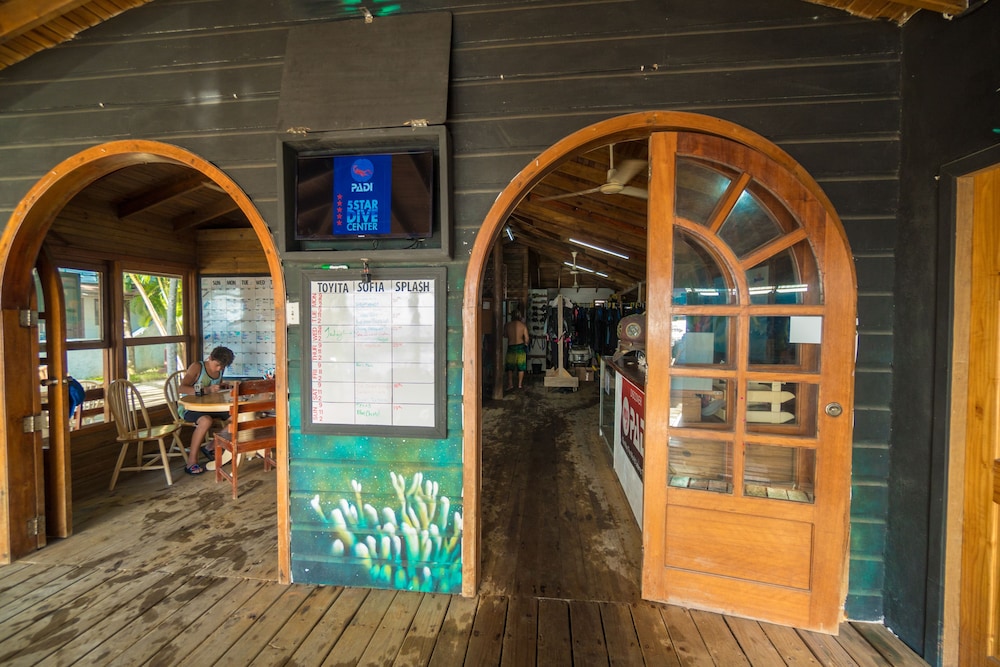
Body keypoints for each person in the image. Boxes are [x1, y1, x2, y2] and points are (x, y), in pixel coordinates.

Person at [179, 346, 234, 475]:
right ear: (210, 358)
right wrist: (206, 390)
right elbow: (181, 388)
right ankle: (191, 462)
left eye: (222, 367)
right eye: (217, 365)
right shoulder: (198, 367)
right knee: (206, 421)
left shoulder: (220, 369)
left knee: (238, 417)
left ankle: (211, 446)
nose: (219, 369)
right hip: (190, 407)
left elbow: (215, 387)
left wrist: (221, 386)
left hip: (211, 406)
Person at [504, 310, 530, 391]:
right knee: (521, 366)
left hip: (511, 346)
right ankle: (519, 384)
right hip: (521, 346)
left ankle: (510, 384)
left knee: (510, 367)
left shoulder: (508, 325)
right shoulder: (523, 326)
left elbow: (505, 335)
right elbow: (527, 338)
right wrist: (526, 344)